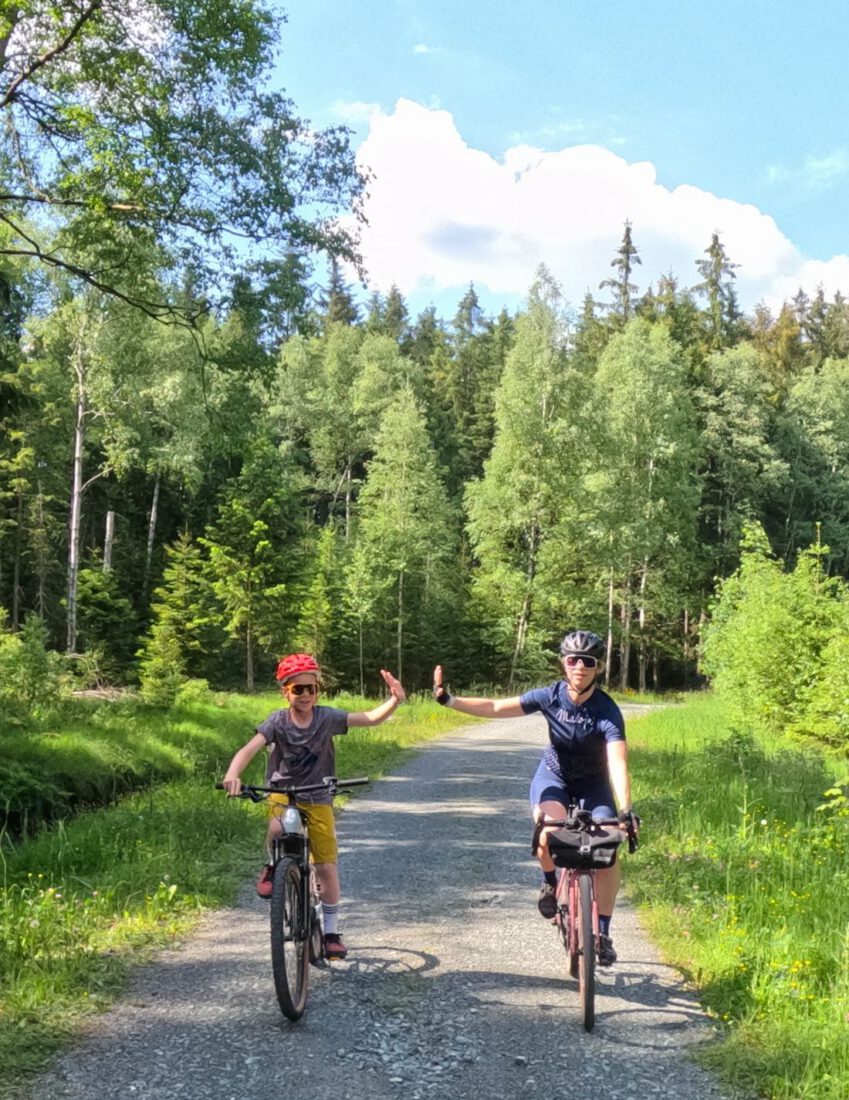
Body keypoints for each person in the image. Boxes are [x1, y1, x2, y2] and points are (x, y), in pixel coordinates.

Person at [432, 630, 635, 966]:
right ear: (563, 663)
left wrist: (625, 810)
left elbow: (617, 761)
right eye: (573, 660)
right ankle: (550, 883)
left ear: (598, 667)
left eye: (588, 661)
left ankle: (603, 931)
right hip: (554, 776)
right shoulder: (550, 696)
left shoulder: (607, 710)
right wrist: (448, 699)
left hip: (594, 784)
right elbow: (497, 707)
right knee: (547, 832)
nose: (580, 667)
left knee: (609, 851)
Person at [221, 653, 406, 961]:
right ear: (285, 692)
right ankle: (272, 867)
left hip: (318, 794)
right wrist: (232, 774)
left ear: (318, 690)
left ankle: (331, 932)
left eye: (311, 688)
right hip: (282, 790)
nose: (305, 695)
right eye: (297, 689)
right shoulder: (277, 722)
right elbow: (249, 749)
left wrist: (395, 701)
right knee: (277, 827)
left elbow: (370, 719)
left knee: (326, 867)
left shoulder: (327, 718)